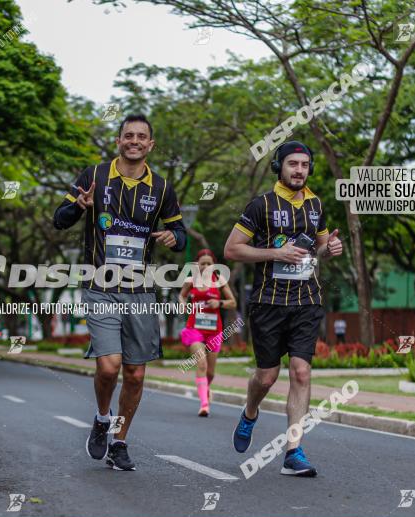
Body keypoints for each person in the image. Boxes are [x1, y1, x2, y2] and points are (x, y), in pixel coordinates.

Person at [53, 113, 187, 471]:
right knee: (109, 368)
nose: (135, 141)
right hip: (100, 286)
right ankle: (101, 418)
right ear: (118, 140)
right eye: (128, 135)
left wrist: (175, 238)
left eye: (142, 136)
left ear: (150, 144)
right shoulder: (94, 176)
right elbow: (59, 218)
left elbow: (180, 236)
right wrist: (76, 206)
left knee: (136, 374)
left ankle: (120, 442)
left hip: (140, 291)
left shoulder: (161, 188)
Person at [223, 141, 343, 477]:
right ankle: (249, 412)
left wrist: (332, 248)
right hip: (268, 303)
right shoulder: (261, 205)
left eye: (305, 165)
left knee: (301, 372)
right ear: (279, 166)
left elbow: (320, 250)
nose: (299, 170)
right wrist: (276, 253)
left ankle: (293, 451)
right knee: (267, 376)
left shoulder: (315, 205)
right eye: (293, 164)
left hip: (306, 301)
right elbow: (232, 249)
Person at [178, 249, 237, 417]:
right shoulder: (191, 280)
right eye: (202, 263)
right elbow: (181, 296)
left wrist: (219, 303)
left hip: (214, 330)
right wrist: (183, 304)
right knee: (201, 364)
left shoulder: (219, 280)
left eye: (209, 264)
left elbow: (233, 303)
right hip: (194, 328)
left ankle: (206, 389)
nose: (205, 266)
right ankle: (204, 404)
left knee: (210, 372)